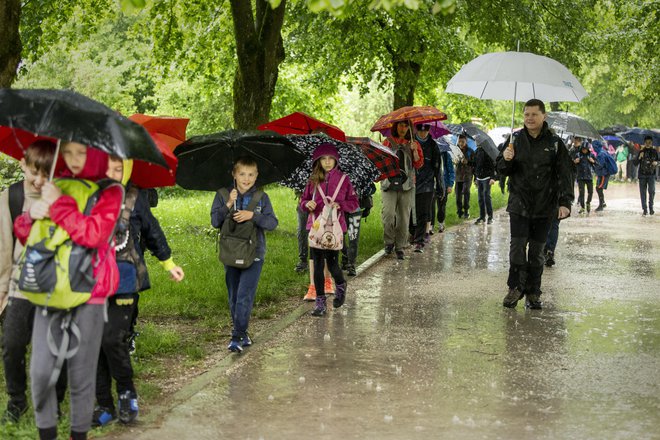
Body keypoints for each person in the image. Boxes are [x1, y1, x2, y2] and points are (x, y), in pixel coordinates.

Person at [13, 142, 124, 440]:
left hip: (91, 292)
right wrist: (30, 217)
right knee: (39, 373)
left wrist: (59, 203)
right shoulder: (56, 184)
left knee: (80, 374)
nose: (74, 160)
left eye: (82, 153)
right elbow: (29, 238)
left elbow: (93, 234)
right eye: (69, 152)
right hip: (49, 287)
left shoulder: (110, 191)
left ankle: (79, 435)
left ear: (98, 155)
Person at [92, 157, 184, 427]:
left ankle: (126, 392)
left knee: (112, 339)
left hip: (126, 280)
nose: (113, 172)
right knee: (96, 342)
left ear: (128, 169)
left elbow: (152, 231)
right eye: (108, 166)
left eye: (119, 168)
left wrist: (168, 263)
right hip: (94, 280)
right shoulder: (89, 193)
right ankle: (104, 405)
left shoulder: (136, 196)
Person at [0, 140, 69, 424]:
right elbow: (5, 248)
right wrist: (2, 292)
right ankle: (17, 401)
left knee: (57, 349)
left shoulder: (65, 197)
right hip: (20, 287)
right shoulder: (11, 196)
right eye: (34, 172)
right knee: (12, 344)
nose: (40, 180)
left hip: (57, 288)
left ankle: (54, 402)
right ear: (23, 165)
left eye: (46, 173)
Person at [497, 99, 574, 310]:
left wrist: (565, 202)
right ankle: (515, 287)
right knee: (517, 249)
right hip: (519, 204)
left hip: (545, 206)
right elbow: (501, 170)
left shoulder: (555, 143)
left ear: (544, 116)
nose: (529, 118)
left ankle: (533, 292)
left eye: (534, 114)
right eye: (526, 114)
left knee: (537, 252)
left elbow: (565, 174)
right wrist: (506, 158)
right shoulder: (515, 140)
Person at [211, 157, 278, 352]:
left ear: (257, 176)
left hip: (254, 253)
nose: (246, 179)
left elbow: (272, 223)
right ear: (234, 174)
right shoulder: (223, 195)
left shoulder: (262, 198)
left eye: (251, 174)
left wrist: (253, 216)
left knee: (244, 295)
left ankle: (237, 335)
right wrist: (228, 204)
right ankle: (243, 331)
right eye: (242, 174)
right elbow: (215, 221)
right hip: (230, 253)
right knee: (233, 296)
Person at [300, 143, 358, 316]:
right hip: (316, 227)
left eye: (330, 158)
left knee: (332, 264)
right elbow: (303, 201)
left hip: (334, 229)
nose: (327, 162)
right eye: (323, 159)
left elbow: (354, 203)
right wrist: (307, 204)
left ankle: (340, 284)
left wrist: (340, 205)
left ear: (336, 160)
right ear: (318, 161)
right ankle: (320, 302)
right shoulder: (313, 180)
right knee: (317, 264)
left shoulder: (343, 179)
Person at [381, 121, 423, 259]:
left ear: (410, 128)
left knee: (404, 219)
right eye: (400, 125)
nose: (403, 128)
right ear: (395, 126)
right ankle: (389, 242)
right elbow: (380, 161)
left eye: (406, 126)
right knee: (388, 215)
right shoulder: (387, 142)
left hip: (407, 186)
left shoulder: (414, 143)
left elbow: (419, 164)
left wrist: (415, 150)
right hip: (389, 184)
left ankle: (400, 246)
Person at [411, 124, 440, 252]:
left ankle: (419, 241)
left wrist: (439, 185)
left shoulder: (433, 146)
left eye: (426, 130)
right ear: (416, 130)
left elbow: (437, 167)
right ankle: (413, 234)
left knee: (423, 211)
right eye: (421, 130)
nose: (423, 133)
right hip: (412, 182)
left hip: (427, 183)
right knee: (412, 211)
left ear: (429, 130)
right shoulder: (410, 142)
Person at [430, 142, 455, 233]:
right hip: (432, 184)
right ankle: (431, 226)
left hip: (443, 184)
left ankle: (441, 223)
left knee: (441, 206)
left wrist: (450, 184)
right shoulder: (430, 153)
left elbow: (451, 171)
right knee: (430, 206)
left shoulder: (446, 155)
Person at [473, 140, 497, 225]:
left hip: (487, 178)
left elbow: (493, 165)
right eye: (475, 140)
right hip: (479, 178)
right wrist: (475, 178)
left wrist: (493, 178)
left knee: (487, 197)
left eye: (477, 140)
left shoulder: (487, 152)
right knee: (480, 199)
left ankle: (490, 217)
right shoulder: (476, 152)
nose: (476, 142)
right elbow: (475, 166)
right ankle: (482, 217)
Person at [635, 135, 658, 215]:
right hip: (642, 175)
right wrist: (639, 157)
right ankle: (644, 209)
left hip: (651, 175)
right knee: (642, 192)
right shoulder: (641, 151)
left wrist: (657, 163)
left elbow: (658, 161)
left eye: (649, 142)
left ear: (651, 143)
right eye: (646, 142)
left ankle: (651, 207)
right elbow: (635, 163)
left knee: (652, 191)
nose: (648, 144)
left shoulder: (655, 151)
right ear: (644, 143)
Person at [454, 134, 475, 219]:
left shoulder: (470, 151)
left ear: (466, 141)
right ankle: (459, 211)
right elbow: (453, 161)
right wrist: (455, 161)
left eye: (462, 141)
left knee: (466, 192)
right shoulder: (456, 150)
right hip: (458, 176)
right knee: (458, 195)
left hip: (467, 175)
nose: (461, 143)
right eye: (459, 141)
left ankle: (466, 210)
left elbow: (474, 163)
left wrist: (468, 162)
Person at [573, 138, 596, 213]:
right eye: (583, 149)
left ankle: (588, 203)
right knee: (581, 193)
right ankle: (582, 207)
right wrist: (575, 162)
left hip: (589, 177)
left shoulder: (591, 155)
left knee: (591, 192)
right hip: (580, 177)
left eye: (585, 149)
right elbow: (571, 164)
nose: (584, 150)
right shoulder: (578, 155)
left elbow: (597, 164)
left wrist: (593, 161)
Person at [592, 140, 611, 212]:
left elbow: (600, 165)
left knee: (599, 188)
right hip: (601, 174)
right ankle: (602, 203)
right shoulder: (601, 152)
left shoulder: (601, 154)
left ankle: (601, 205)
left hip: (603, 174)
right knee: (598, 188)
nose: (593, 148)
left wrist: (593, 162)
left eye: (593, 147)